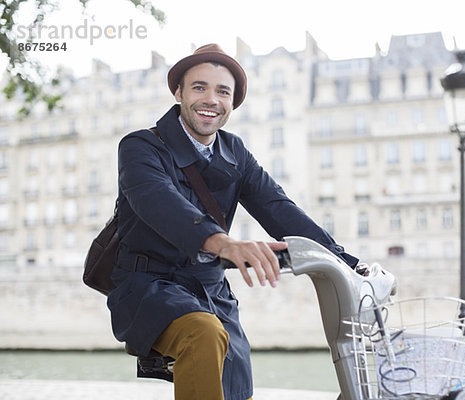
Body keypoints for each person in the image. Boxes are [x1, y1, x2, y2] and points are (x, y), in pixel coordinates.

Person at [107, 43, 358, 400]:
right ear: (178, 92)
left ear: (233, 101)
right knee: (202, 332)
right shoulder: (141, 147)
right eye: (199, 87)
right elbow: (158, 202)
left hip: (210, 290)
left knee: (237, 387)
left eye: (223, 91)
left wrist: (348, 262)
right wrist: (224, 243)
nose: (211, 99)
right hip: (148, 285)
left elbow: (278, 207)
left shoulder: (235, 151)